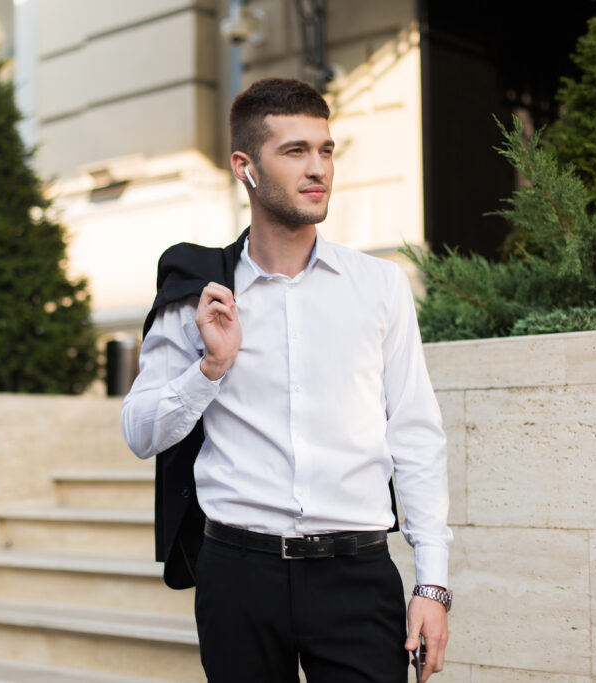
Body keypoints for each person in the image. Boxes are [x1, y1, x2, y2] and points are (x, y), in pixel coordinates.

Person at [121, 77, 452, 683]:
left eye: (325, 150)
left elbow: (416, 435)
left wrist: (433, 584)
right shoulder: (200, 294)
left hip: (358, 575)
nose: (317, 168)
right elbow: (141, 433)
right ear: (245, 167)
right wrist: (209, 368)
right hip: (239, 573)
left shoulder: (379, 286)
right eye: (294, 151)